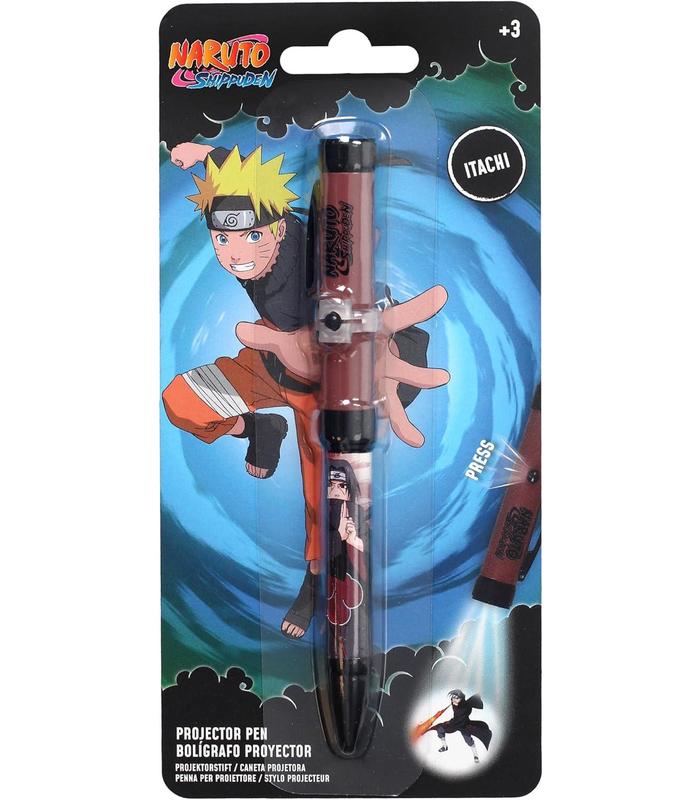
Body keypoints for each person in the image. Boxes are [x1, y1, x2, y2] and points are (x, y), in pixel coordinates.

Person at [164, 141, 450, 638]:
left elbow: (357, 297)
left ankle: (319, 580)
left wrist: (367, 358)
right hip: (273, 363)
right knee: (182, 401)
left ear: (277, 229)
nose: (236, 253)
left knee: (327, 497)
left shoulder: (307, 252)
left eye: (252, 236)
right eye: (222, 238)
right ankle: (259, 429)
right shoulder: (260, 212)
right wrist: (206, 151)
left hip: (330, 392)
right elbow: (235, 182)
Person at [431, 690, 492, 763]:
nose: (454, 700)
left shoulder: (465, 707)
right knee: (440, 729)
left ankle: (475, 755)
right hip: (454, 723)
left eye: (456, 698)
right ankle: (444, 746)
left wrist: (463, 705)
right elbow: (455, 705)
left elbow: (466, 709)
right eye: (453, 698)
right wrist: (454, 703)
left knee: (468, 740)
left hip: (464, 725)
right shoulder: (454, 702)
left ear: (461, 699)